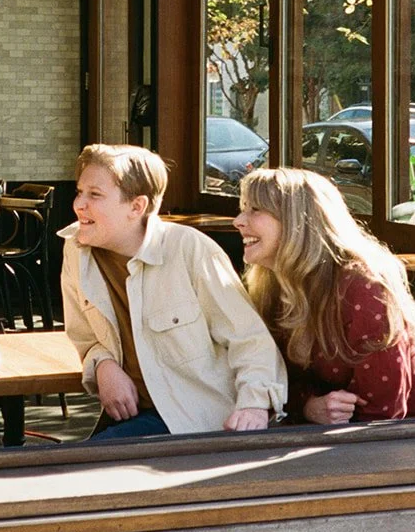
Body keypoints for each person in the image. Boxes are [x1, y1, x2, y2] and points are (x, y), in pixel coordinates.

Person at [60, 143, 286, 440]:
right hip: (136, 420)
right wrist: (102, 364)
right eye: (80, 192)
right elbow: (84, 336)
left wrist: (255, 406)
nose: (79, 204)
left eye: (95, 195)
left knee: (74, 470)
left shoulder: (190, 249)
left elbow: (249, 339)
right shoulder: (76, 250)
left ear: (136, 207)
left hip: (196, 424)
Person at [234, 167, 415, 424]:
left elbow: (384, 410)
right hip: (334, 439)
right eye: (243, 208)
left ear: (296, 221)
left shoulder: (361, 285)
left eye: (255, 209)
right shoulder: (271, 286)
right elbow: (276, 378)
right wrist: (309, 407)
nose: (239, 221)